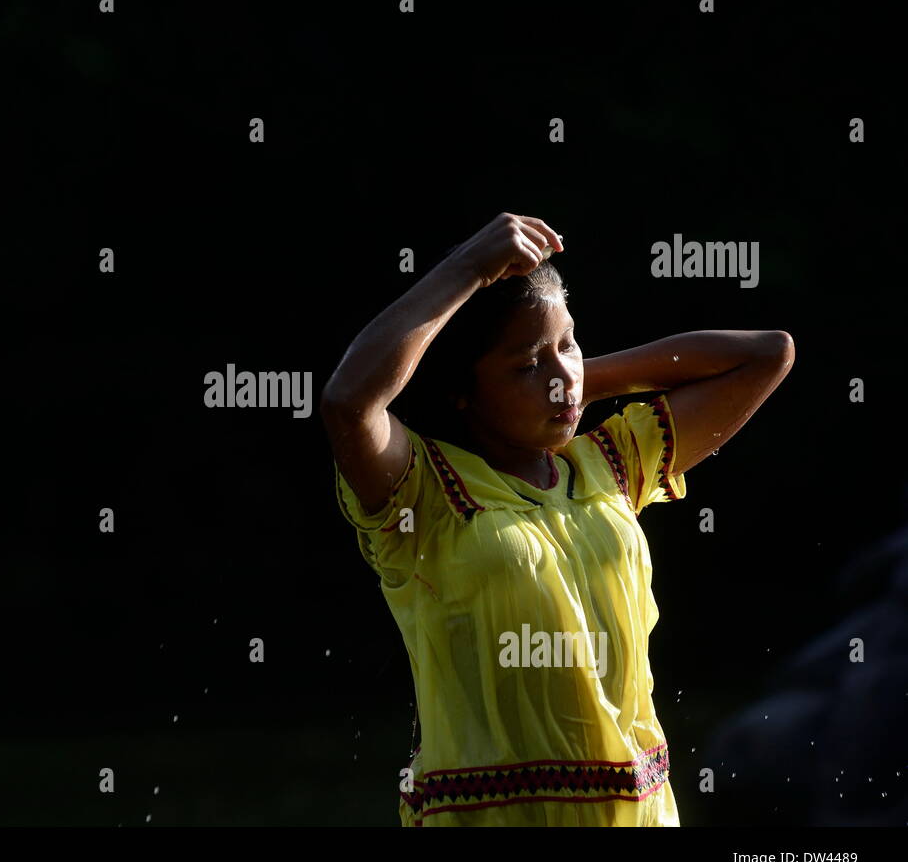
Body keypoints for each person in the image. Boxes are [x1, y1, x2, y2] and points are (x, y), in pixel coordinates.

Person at [321, 212, 795, 825]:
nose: (559, 376)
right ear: (460, 390)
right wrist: (468, 266)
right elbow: (348, 403)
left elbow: (766, 355)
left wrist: (566, 383)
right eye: (523, 366)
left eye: (568, 343)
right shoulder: (423, 496)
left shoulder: (613, 462)